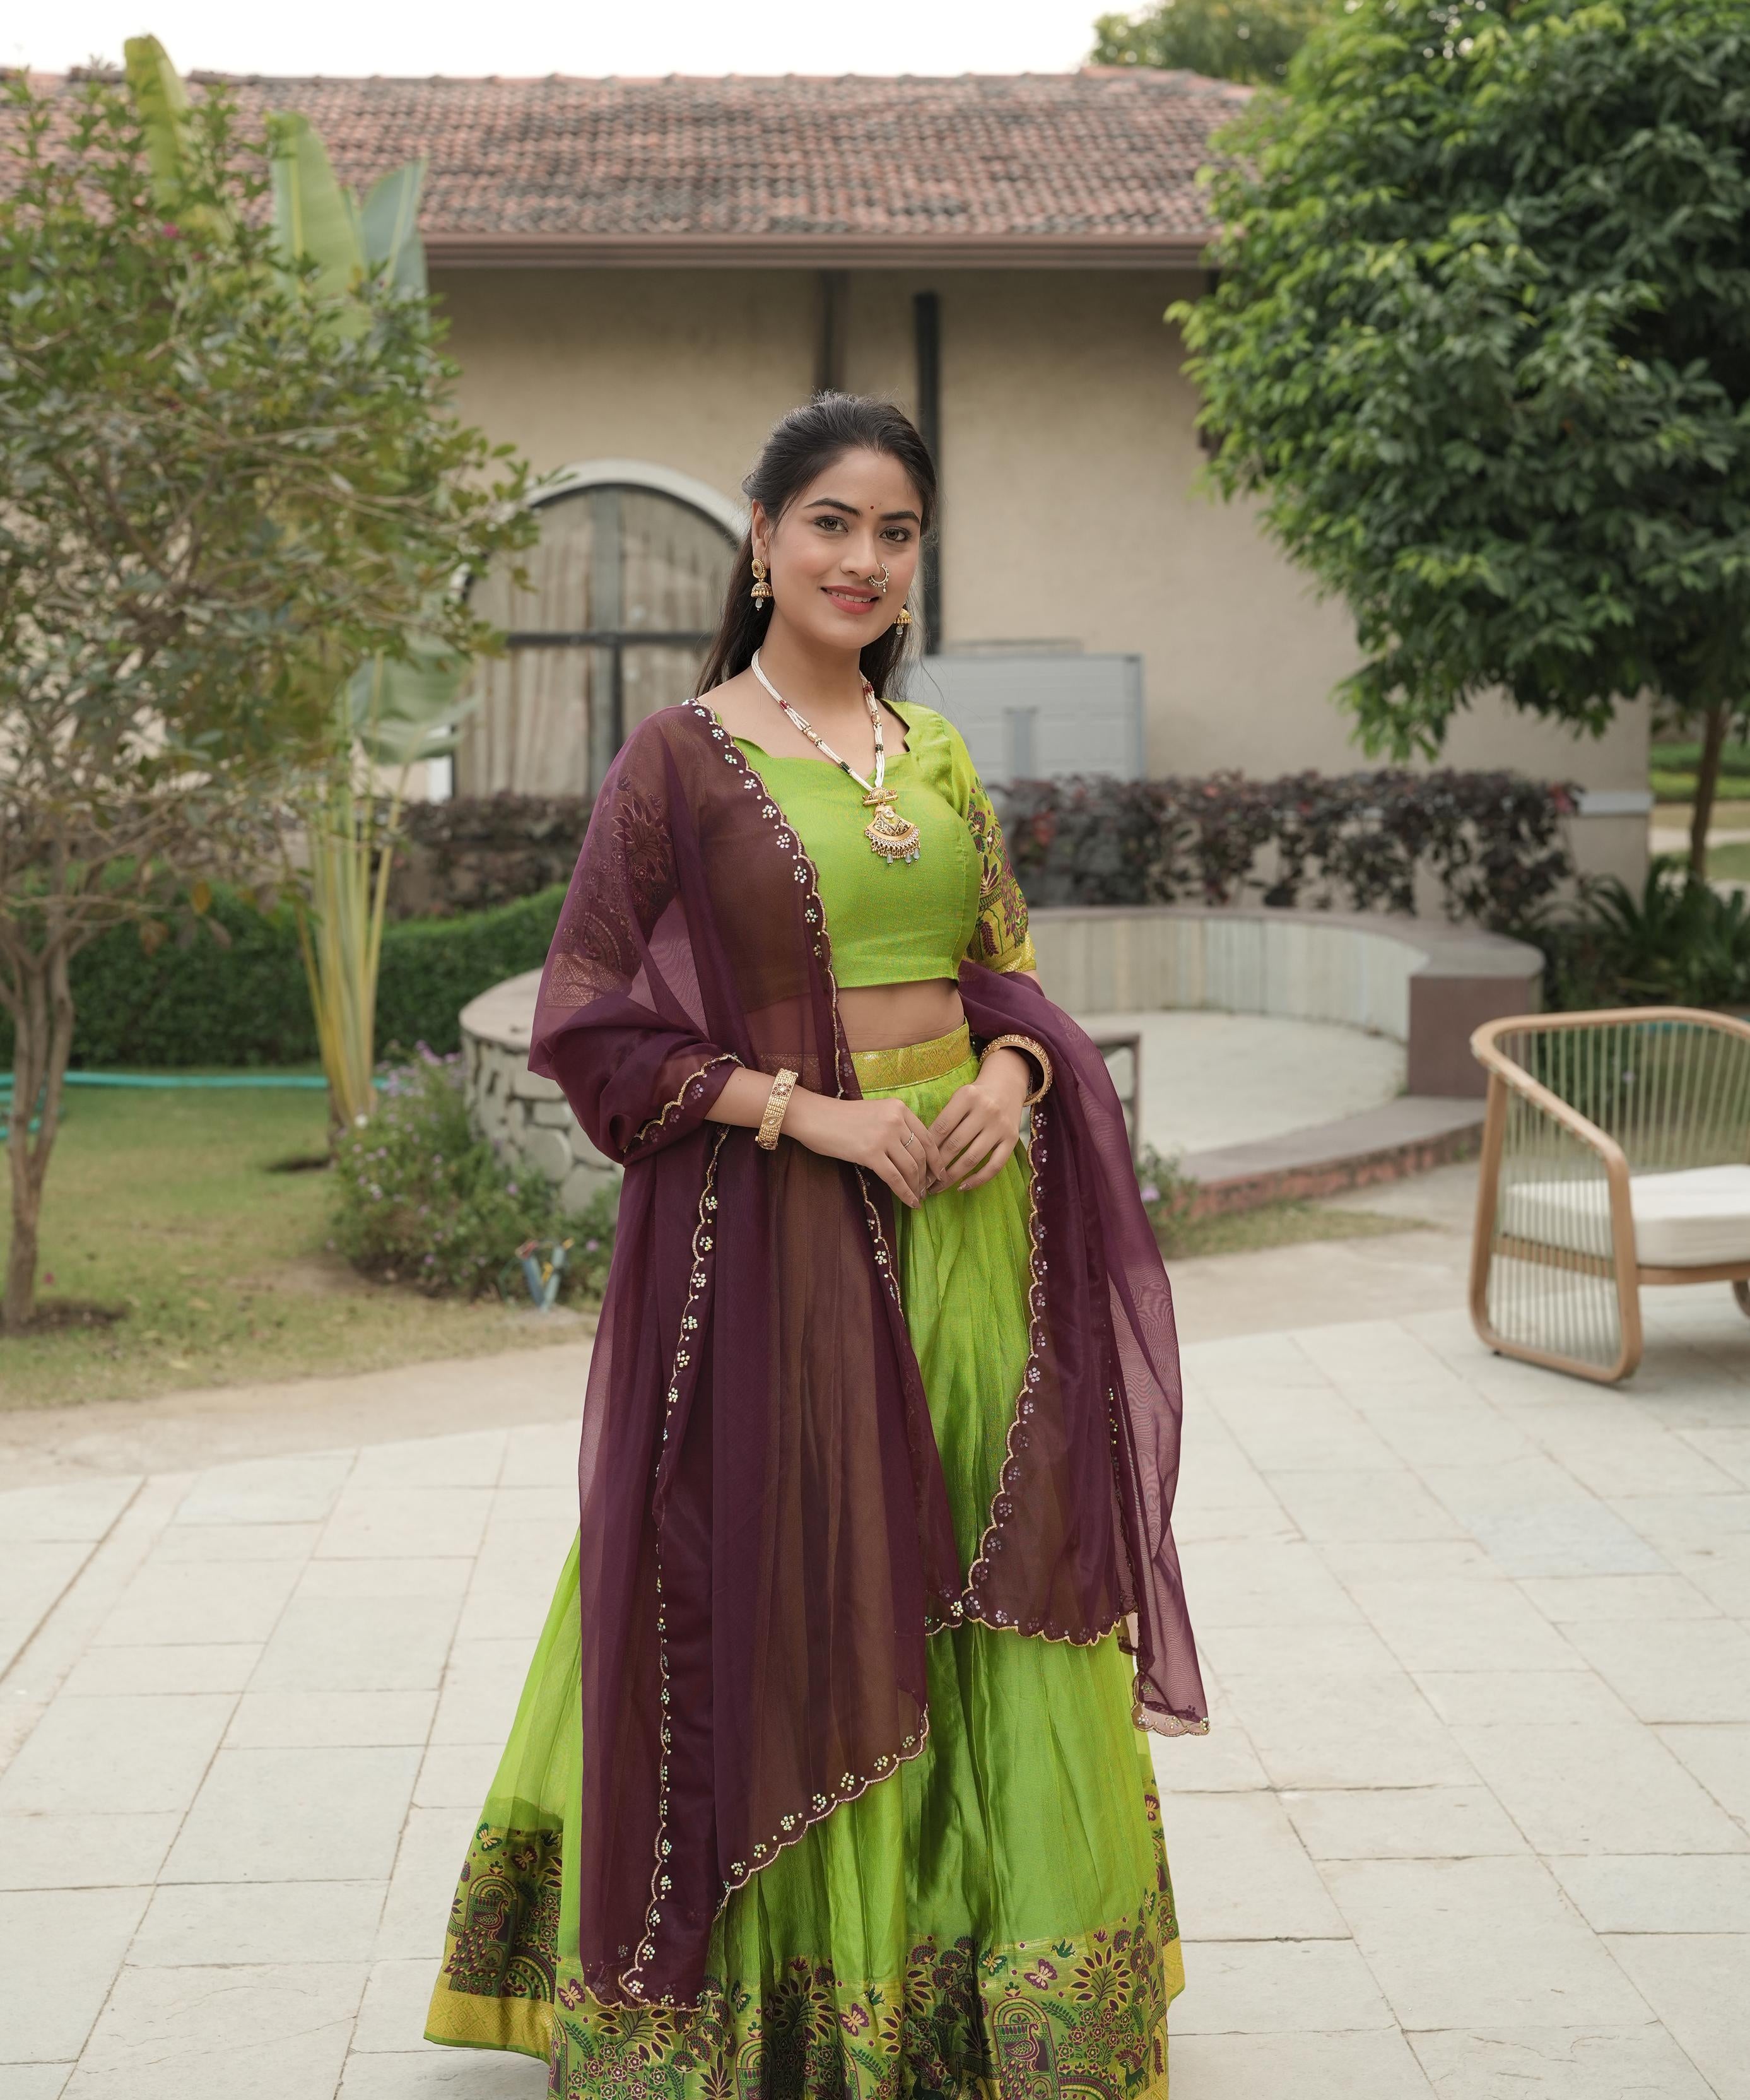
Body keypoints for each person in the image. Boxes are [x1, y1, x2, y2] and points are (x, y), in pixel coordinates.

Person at [425, 394, 1206, 2100]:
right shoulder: (682, 760)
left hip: (972, 1223)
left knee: (984, 1581)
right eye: (834, 523)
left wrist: (1012, 1070)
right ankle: (790, 2000)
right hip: (781, 1232)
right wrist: (812, 1114)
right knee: (797, 1561)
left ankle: (987, 1990)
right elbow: (591, 1019)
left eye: (898, 532)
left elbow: (1005, 968)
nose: (865, 559)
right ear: (764, 540)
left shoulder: (934, 757)